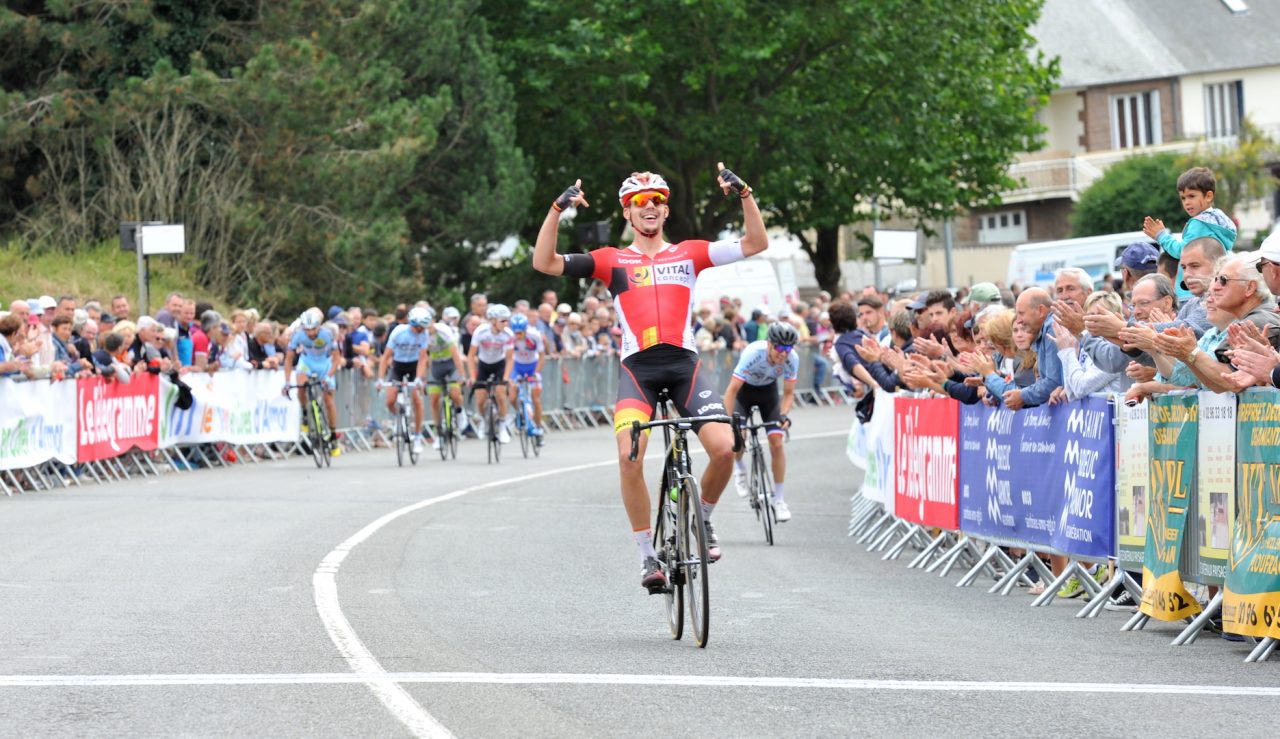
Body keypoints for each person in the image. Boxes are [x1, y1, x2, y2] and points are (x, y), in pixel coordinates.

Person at [532, 164, 766, 591]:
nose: (650, 206)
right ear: (627, 212)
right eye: (640, 202)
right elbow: (544, 262)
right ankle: (647, 557)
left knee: (725, 448)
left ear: (666, 209)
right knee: (629, 457)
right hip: (638, 369)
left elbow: (756, 242)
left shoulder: (690, 253)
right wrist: (556, 209)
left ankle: (704, 522)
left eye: (658, 199)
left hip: (684, 367)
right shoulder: (611, 260)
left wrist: (745, 193)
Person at [723, 322, 799, 521]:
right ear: (769, 344)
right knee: (739, 437)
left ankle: (779, 499)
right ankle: (739, 468)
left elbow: (789, 394)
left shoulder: (792, 359)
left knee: (777, 443)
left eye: (788, 348)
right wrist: (728, 422)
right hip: (744, 393)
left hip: (768, 394)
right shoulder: (753, 354)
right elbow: (731, 391)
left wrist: (782, 415)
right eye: (779, 348)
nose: (783, 354)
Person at [1143, 166, 1237, 300]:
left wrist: (1161, 236)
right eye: (1183, 198)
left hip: (1190, 292)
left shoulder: (1199, 223)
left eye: (1191, 196)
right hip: (1213, 285)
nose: (1187, 202)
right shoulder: (1219, 221)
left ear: (1208, 196)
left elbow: (1183, 252)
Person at [282, 309, 342, 455]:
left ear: (319, 326)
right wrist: (287, 381)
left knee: (328, 401)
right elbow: (289, 359)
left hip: (325, 364)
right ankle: (304, 413)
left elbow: (336, 359)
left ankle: (333, 436)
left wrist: (329, 376)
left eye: (313, 329)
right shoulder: (298, 335)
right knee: (301, 385)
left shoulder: (327, 334)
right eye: (307, 329)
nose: (310, 333)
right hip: (307, 362)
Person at [378, 306, 431, 454]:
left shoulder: (424, 334)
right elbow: (385, 357)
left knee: (417, 400)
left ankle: (418, 436)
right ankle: (398, 419)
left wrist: (419, 378)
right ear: (413, 324)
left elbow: (422, 358)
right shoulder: (398, 332)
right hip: (398, 366)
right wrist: (380, 379)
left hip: (414, 366)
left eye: (423, 328)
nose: (421, 331)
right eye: (419, 328)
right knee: (389, 400)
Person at [468, 304, 514, 443]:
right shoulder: (480, 332)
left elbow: (510, 358)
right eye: (502, 321)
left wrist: (506, 378)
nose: (506, 324)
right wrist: (472, 376)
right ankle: (483, 419)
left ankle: (503, 425)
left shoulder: (508, 334)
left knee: (500, 394)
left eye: (507, 320)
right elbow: (471, 356)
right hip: (483, 364)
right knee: (481, 399)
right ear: (493, 320)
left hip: (499, 364)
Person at [424, 309, 470, 450]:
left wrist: (462, 376)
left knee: (455, 393)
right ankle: (439, 434)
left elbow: (455, 354)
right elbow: (423, 357)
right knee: (434, 399)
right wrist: (424, 377)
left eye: (428, 321)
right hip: (436, 365)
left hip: (451, 364)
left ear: (433, 320)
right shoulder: (421, 334)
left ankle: (460, 412)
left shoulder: (443, 330)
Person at [507, 313, 547, 440]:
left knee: (535, 398)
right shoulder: (509, 337)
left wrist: (536, 373)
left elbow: (541, 357)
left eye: (520, 333)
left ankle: (538, 426)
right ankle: (521, 413)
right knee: (512, 397)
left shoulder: (534, 335)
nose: (518, 336)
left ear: (525, 330)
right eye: (516, 333)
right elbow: (507, 357)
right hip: (517, 366)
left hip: (532, 366)